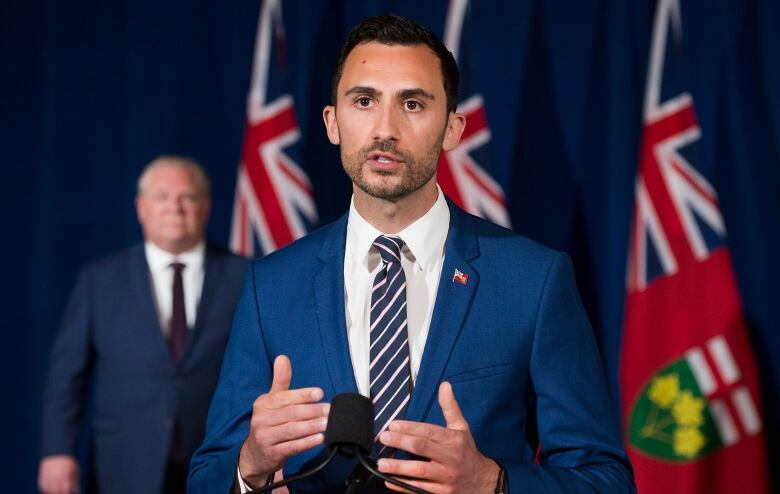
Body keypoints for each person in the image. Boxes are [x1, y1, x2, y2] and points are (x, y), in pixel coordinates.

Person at [189, 14, 635, 493]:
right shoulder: (271, 285)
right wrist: (250, 464)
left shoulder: (534, 281)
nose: (385, 128)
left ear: (453, 128)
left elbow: (606, 480)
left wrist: (492, 482)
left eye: (413, 104)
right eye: (364, 101)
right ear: (332, 122)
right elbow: (207, 478)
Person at [38, 156, 249, 494]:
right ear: (141, 208)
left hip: (218, 460)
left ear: (206, 207)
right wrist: (57, 450)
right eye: (162, 197)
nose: (175, 208)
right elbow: (66, 375)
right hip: (123, 463)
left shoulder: (245, 276)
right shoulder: (99, 280)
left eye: (187, 197)